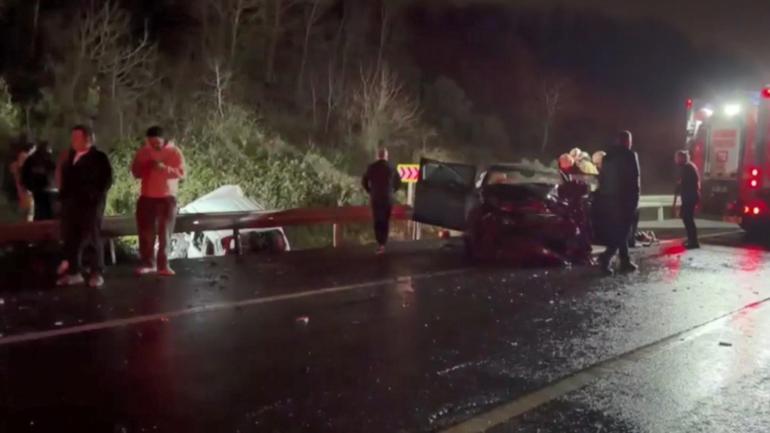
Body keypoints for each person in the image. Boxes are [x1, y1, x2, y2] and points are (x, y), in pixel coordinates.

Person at [57, 125, 113, 288]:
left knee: (92, 237)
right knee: (71, 238)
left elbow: (106, 181)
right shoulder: (71, 156)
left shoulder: (99, 158)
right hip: (71, 205)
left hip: (90, 205)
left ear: (88, 139)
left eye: (77, 138)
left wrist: (94, 196)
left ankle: (96, 272)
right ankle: (74, 272)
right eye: (72, 137)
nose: (73, 141)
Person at [132, 126, 185, 276]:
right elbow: (135, 172)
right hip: (147, 197)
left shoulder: (174, 152)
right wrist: (143, 167)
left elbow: (181, 173)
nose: (154, 145)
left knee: (165, 233)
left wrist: (164, 168)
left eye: (156, 142)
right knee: (146, 233)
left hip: (167, 197)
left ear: (163, 139)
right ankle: (148, 263)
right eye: (151, 142)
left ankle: (163, 265)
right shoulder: (143, 152)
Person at [596, 130, 640, 275]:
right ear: (627, 141)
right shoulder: (630, 155)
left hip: (609, 199)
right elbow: (635, 179)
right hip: (625, 199)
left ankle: (625, 260)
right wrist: (635, 200)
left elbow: (602, 178)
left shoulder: (607, 157)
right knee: (623, 232)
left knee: (618, 230)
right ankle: (606, 257)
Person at [362, 148, 400, 254]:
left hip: (376, 198)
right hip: (388, 198)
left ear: (377, 156)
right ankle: (384, 243)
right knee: (386, 220)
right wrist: (392, 191)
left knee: (377, 220)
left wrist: (370, 191)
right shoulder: (392, 167)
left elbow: (364, 181)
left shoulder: (371, 167)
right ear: (386, 156)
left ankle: (380, 244)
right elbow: (398, 183)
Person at [21, 141, 57, 220]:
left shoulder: (31, 159)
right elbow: (53, 170)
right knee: (46, 210)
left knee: (39, 209)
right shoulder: (44, 158)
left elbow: (24, 175)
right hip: (43, 189)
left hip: (36, 188)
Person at [674, 150, 701, 249]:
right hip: (690, 196)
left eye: (677, 158)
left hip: (690, 196)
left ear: (682, 158)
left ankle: (693, 241)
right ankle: (691, 239)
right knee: (687, 218)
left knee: (688, 218)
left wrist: (679, 185)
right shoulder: (688, 167)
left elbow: (686, 183)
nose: (676, 160)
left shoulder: (687, 168)